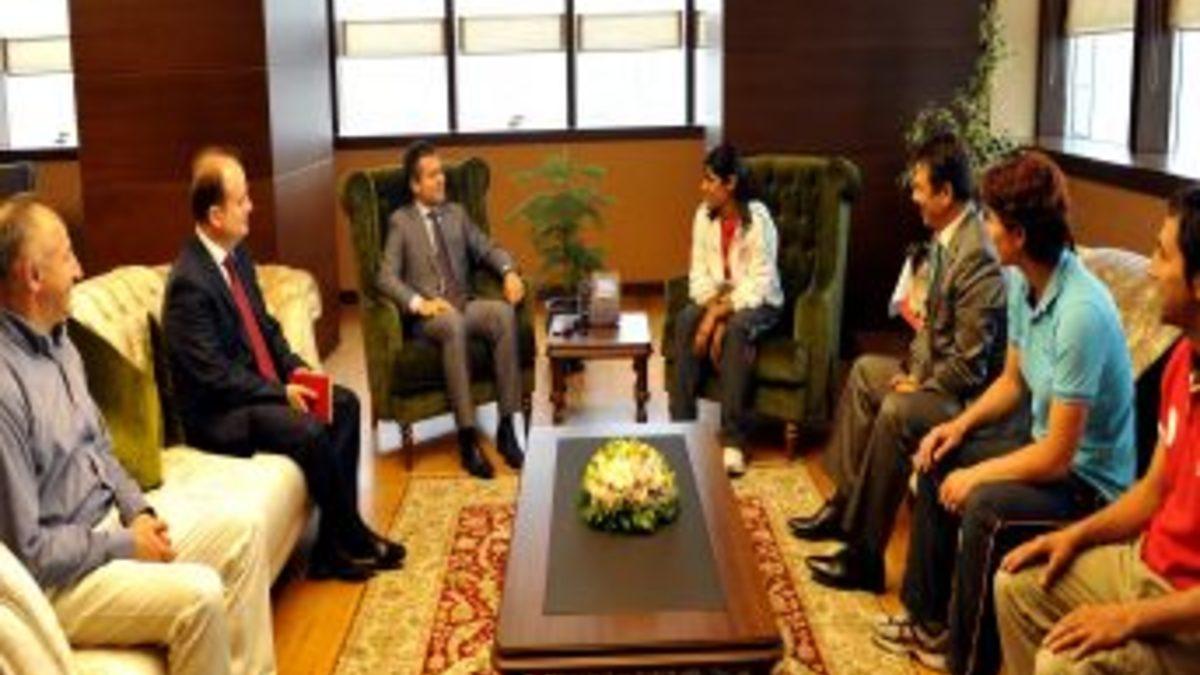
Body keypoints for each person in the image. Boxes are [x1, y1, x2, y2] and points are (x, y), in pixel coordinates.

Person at [874, 151, 1136, 673]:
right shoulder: (1023, 281)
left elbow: (1059, 458)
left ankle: (964, 658)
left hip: (1087, 484)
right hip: (1042, 449)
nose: (983, 225)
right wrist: (956, 428)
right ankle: (925, 619)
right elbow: (1012, 383)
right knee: (937, 456)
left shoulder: (1080, 312)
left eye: (990, 217)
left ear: (1017, 234)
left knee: (984, 505)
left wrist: (978, 474)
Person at [0, 195, 276, 674]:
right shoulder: (5, 387)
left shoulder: (62, 342)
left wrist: (139, 511)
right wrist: (126, 546)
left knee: (244, 533)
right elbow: (30, 552)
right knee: (199, 596)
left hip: (111, 527)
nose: (80, 269)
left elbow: (100, 450)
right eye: (67, 256)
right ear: (34, 276)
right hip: (61, 581)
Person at [163, 147, 403, 582]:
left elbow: (266, 328)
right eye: (241, 200)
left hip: (255, 391)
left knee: (344, 405)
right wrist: (279, 392)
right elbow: (214, 375)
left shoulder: (237, 256)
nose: (251, 207)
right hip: (220, 415)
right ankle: (352, 535)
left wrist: (295, 370)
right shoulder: (189, 284)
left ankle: (331, 548)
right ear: (215, 215)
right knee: (309, 429)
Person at [789, 132, 1008, 594]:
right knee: (866, 372)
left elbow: (971, 367)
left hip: (966, 402)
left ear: (945, 193)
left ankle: (866, 558)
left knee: (896, 410)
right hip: (935, 378)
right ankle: (844, 507)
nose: (913, 197)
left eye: (920, 188)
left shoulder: (978, 257)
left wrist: (921, 387)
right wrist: (912, 372)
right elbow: (930, 327)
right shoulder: (947, 237)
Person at [994, 185, 1200, 675]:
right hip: (1145, 566)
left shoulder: (1082, 309)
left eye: (1162, 254)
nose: (1150, 270)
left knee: (1062, 663)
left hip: (1187, 613)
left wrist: (1128, 618)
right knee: (1016, 586)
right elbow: (1152, 491)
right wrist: (1075, 537)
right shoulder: (1181, 359)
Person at [376, 140, 526, 479]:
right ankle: (467, 439)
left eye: (441, 172)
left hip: (463, 304)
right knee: (452, 323)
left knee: (503, 314)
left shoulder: (456, 214)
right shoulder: (401, 222)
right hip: (431, 317)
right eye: (432, 175)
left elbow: (487, 248)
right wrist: (420, 304)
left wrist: (508, 271)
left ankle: (507, 428)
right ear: (415, 185)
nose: (441, 179)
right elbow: (385, 277)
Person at [668, 144, 784, 476]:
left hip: (759, 302)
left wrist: (717, 317)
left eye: (709, 180)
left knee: (736, 329)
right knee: (685, 319)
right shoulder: (702, 216)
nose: (702, 187)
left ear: (730, 183)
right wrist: (712, 312)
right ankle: (682, 427)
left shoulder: (758, 220)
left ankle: (733, 440)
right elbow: (698, 277)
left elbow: (760, 283)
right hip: (718, 298)